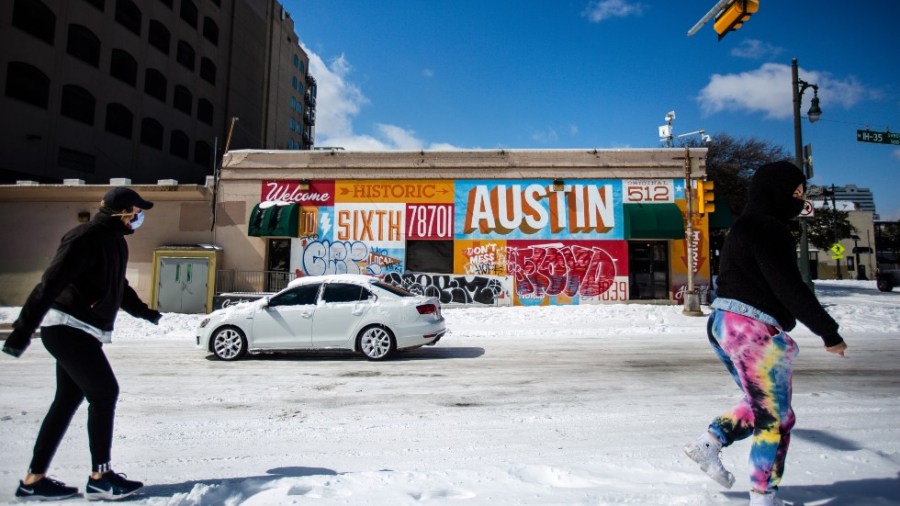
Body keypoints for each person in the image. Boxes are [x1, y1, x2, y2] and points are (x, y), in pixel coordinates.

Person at [682, 161, 848, 506]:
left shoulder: (742, 227)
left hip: (723, 324)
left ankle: (709, 442)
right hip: (753, 329)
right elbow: (789, 286)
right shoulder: (768, 228)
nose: (800, 198)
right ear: (776, 191)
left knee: (759, 405)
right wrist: (828, 331)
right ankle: (764, 497)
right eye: (796, 191)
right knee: (776, 419)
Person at [2, 187, 163, 501]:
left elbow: (120, 286)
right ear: (124, 211)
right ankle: (100, 476)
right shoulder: (84, 237)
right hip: (66, 328)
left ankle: (33, 481)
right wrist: (22, 332)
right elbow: (50, 284)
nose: (140, 216)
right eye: (137, 210)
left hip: (84, 331)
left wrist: (144, 312)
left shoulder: (116, 243)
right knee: (105, 392)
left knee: (65, 402)